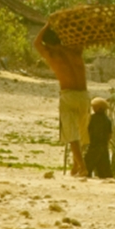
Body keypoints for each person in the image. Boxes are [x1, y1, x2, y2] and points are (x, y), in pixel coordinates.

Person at [34, 21, 89, 177]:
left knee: (71, 134)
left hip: (68, 95)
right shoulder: (74, 52)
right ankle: (75, 165)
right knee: (81, 131)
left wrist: (47, 24)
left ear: (48, 43)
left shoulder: (51, 55)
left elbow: (36, 43)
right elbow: (82, 39)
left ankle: (82, 167)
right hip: (84, 95)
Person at [86, 97, 113, 178]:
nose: (92, 108)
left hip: (94, 145)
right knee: (104, 169)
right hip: (103, 146)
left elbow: (87, 130)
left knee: (87, 165)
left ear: (99, 108)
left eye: (94, 106)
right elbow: (109, 134)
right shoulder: (107, 120)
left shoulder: (92, 118)